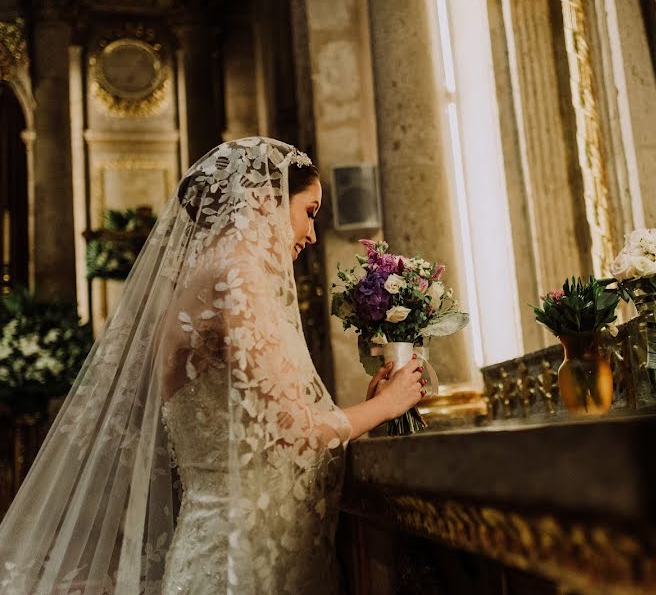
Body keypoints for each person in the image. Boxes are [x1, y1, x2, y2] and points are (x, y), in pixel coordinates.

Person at [0, 137, 426, 594]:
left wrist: (365, 410)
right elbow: (294, 434)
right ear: (265, 198)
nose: (312, 234)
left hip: (230, 546)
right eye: (310, 211)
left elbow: (262, 429)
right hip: (239, 565)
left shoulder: (211, 278)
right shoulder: (234, 278)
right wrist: (389, 405)